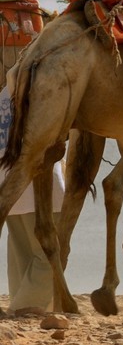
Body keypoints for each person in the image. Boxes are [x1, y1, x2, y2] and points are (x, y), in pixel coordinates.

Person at [0, 86, 66, 314]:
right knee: (52, 249)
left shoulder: (4, 96)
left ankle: (21, 302)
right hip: (39, 184)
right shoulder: (42, 92)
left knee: (21, 250)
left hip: (6, 183)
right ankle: (26, 305)